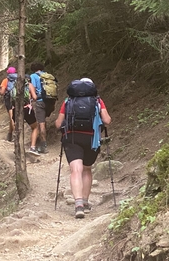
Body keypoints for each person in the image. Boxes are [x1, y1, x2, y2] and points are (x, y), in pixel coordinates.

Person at [55, 77, 111, 219]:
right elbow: (107, 120)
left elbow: (58, 124)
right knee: (86, 169)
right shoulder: (97, 101)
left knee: (76, 170)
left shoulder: (69, 101)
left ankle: (78, 204)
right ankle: (85, 202)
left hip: (72, 138)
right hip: (91, 139)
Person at [29, 61, 58, 154]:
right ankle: (42, 142)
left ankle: (43, 146)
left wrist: (33, 98)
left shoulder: (33, 76)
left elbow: (32, 89)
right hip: (51, 101)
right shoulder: (48, 75)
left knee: (40, 124)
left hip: (40, 102)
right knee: (43, 120)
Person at [0, 67, 18, 141]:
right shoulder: (19, 79)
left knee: (12, 117)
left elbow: (2, 92)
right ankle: (10, 134)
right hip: (18, 100)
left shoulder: (6, 80)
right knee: (12, 117)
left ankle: (16, 135)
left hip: (9, 100)